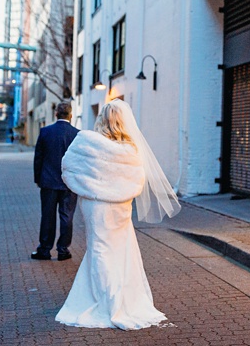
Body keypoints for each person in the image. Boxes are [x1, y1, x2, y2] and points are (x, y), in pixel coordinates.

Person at [56, 99, 181, 329]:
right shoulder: (131, 151)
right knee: (121, 249)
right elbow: (137, 181)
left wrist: (87, 187)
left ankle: (104, 300)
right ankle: (121, 299)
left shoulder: (86, 142)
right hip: (120, 206)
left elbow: (68, 168)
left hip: (95, 205)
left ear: (102, 119)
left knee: (98, 248)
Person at [31, 102, 80, 261]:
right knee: (67, 216)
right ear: (71, 115)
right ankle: (63, 250)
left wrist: (38, 178)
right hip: (69, 183)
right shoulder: (77, 134)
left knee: (47, 216)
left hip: (48, 181)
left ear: (56, 114)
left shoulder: (45, 132)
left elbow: (38, 158)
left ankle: (44, 250)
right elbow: (80, 161)